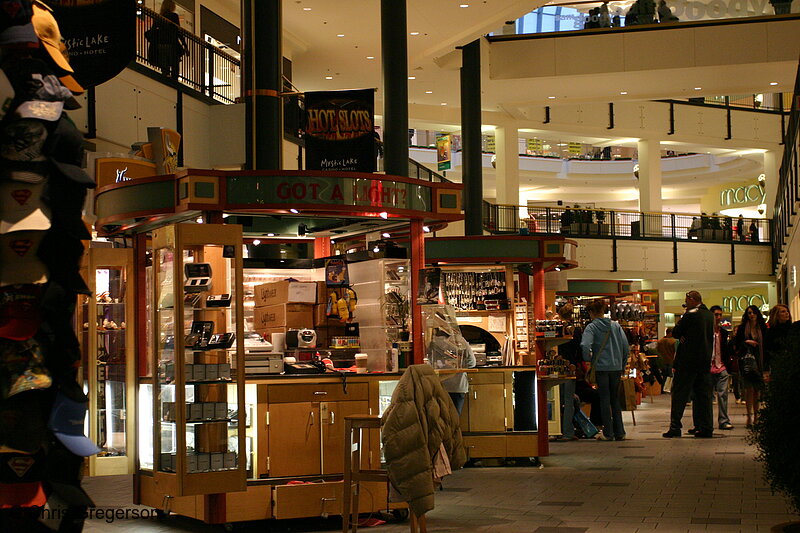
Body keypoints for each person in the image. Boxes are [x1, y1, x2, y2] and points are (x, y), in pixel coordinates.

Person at [663, 291, 714, 438]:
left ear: (692, 300)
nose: (685, 303)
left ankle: (675, 427)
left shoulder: (691, 314)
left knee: (680, 394)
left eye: (686, 300)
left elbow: (677, 332)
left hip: (687, 362)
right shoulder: (709, 315)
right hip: (704, 361)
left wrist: (683, 323)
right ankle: (704, 427)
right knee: (703, 396)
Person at [581, 299, 629, 441]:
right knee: (615, 399)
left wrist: (588, 360)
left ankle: (608, 432)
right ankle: (620, 431)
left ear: (591, 312)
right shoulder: (616, 326)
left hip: (601, 368)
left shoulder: (591, 327)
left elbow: (585, 345)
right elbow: (625, 348)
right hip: (616, 367)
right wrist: (622, 364)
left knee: (604, 399)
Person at [733, 305, 767, 428]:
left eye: (753, 313)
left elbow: (766, 346)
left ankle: (757, 417)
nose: (751, 315)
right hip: (746, 362)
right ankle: (749, 416)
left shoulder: (762, 328)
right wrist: (746, 342)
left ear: (757, 314)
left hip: (759, 361)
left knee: (757, 389)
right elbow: (736, 344)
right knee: (748, 389)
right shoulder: (743, 328)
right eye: (749, 313)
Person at [708, 306, 734, 430]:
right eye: (716, 315)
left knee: (723, 395)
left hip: (721, 366)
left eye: (720, 315)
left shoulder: (723, 332)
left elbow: (725, 349)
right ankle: (707, 422)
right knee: (707, 396)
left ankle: (723, 420)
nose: (718, 317)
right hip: (708, 367)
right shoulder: (706, 331)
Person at [147, 0, 187, 79]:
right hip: (171, 44)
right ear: (171, 6)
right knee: (175, 65)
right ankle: (174, 81)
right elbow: (178, 31)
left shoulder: (159, 17)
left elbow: (153, 30)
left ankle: (165, 78)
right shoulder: (174, 16)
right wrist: (185, 45)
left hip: (160, 44)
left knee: (164, 65)